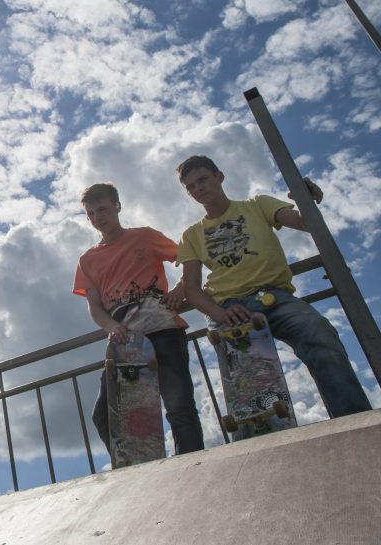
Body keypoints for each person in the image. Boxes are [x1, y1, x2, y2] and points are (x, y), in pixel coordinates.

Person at [176, 155, 371, 419]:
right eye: (191, 187)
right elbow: (192, 288)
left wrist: (305, 199)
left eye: (202, 180)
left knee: (318, 332)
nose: (198, 189)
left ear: (219, 177)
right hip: (229, 307)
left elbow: (303, 222)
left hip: (274, 297)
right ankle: (259, 434)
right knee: (248, 379)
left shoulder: (257, 204)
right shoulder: (191, 235)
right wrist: (219, 314)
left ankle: (354, 418)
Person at [73, 183, 204, 458]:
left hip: (163, 329)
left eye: (103, 209)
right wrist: (112, 327)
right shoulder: (88, 259)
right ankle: (136, 466)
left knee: (179, 406)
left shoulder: (144, 237)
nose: (98, 217)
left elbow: (188, 256)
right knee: (104, 414)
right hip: (124, 341)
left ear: (117, 206)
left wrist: (182, 289)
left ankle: (193, 466)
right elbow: (95, 307)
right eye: (92, 213)